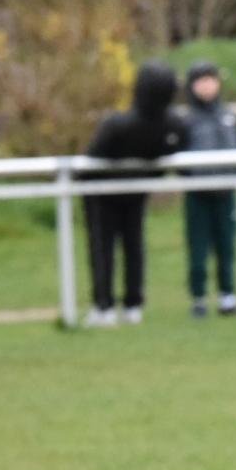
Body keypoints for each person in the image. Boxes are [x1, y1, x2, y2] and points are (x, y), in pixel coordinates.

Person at [81, 62, 183, 326]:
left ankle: (104, 306)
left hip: (103, 195)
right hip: (133, 192)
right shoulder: (171, 125)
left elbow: (91, 158)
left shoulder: (118, 124)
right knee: (133, 247)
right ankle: (131, 304)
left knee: (104, 248)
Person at [181, 60, 236, 317]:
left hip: (226, 193)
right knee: (198, 248)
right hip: (198, 194)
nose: (206, 85)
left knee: (226, 245)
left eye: (210, 79)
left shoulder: (228, 117)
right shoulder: (187, 120)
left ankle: (227, 297)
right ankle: (199, 299)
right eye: (201, 80)